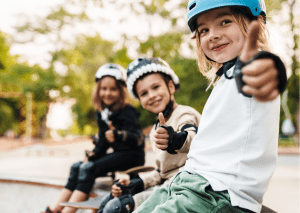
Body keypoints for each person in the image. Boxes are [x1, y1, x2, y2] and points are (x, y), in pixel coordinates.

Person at [133, 0, 287, 213]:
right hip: (187, 183)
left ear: (256, 23)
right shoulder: (224, 80)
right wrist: (176, 140)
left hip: (218, 193)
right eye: (203, 30)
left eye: (224, 22)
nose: (212, 35)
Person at [97, 57, 201, 213]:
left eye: (156, 87)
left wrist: (175, 139)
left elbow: (191, 136)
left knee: (118, 207)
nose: (151, 95)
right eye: (144, 93)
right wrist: (136, 182)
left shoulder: (185, 114)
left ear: (170, 86)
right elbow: (161, 172)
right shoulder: (155, 130)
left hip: (187, 186)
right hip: (167, 185)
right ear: (140, 100)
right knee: (112, 200)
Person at [43, 63, 145, 213]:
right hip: (118, 155)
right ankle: (54, 209)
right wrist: (93, 154)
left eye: (113, 89)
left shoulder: (127, 111)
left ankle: (67, 211)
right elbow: (103, 143)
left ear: (121, 91)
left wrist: (119, 135)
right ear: (98, 90)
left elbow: (138, 138)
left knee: (89, 169)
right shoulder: (102, 113)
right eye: (104, 89)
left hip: (132, 156)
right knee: (78, 166)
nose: (107, 93)